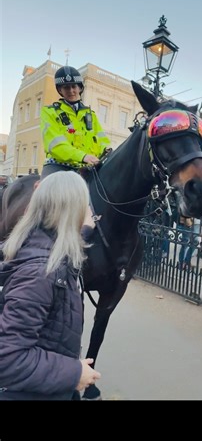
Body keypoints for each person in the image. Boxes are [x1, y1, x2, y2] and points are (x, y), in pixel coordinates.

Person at [0, 171, 100, 400]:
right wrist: (74, 373)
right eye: (84, 205)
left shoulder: (43, 248)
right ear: (71, 211)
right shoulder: (40, 274)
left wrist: (83, 231)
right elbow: (7, 359)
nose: (88, 212)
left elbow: (65, 260)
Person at [40, 65, 111, 180]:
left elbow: (102, 140)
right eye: (66, 87)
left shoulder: (90, 115)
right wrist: (83, 156)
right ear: (60, 90)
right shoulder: (49, 112)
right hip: (58, 166)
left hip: (88, 167)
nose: (71, 91)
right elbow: (55, 145)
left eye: (74, 86)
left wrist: (107, 151)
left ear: (80, 88)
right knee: (47, 194)